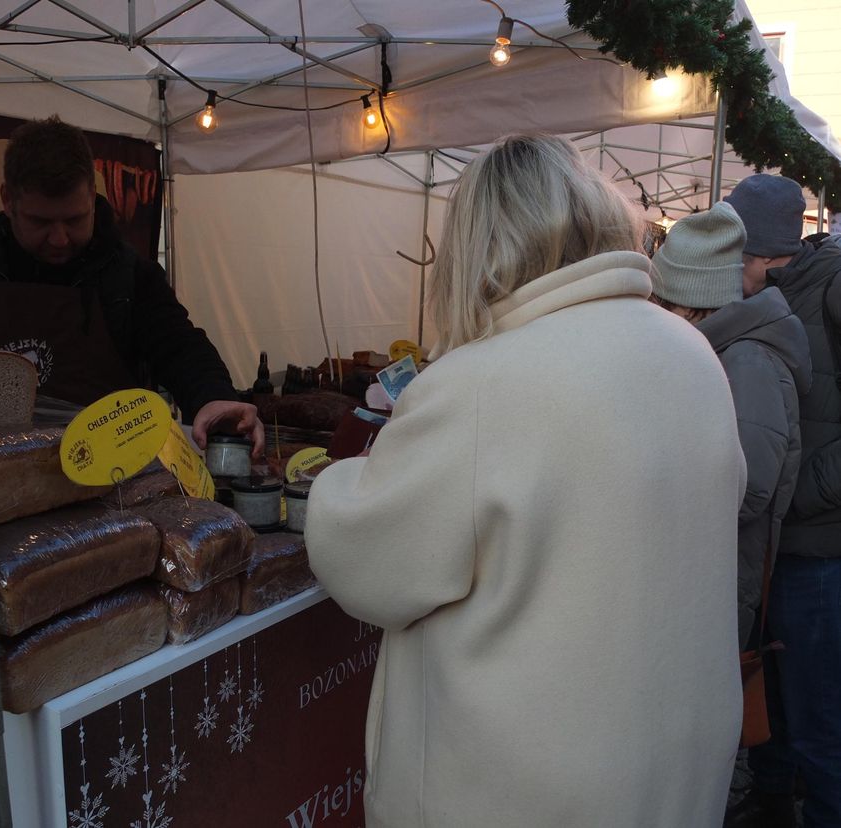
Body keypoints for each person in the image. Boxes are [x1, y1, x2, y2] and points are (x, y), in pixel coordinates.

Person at [304, 134, 746, 828]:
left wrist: (334, 486)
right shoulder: (690, 352)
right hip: (672, 772)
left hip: (523, 792)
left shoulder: (484, 383)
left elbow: (367, 564)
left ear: (477, 245)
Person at [0, 116, 263, 456]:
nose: (60, 239)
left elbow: (178, 344)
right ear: (7, 201)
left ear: (92, 201)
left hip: (107, 485)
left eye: (75, 219)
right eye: (41, 222)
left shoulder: (127, 274)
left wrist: (212, 397)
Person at [722, 174, 841, 828]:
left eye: (736, 259)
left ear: (765, 256)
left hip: (816, 549)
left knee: (820, 720)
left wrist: (806, 491)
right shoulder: (773, 297)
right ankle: (771, 806)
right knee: (774, 701)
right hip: (772, 544)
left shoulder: (830, 290)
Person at [649, 202, 810, 650]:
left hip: (719, 585)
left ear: (692, 301)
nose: (654, 310)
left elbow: (750, 488)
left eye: (662, 301)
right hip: (704, 576)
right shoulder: (719, 349)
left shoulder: (747, 359)